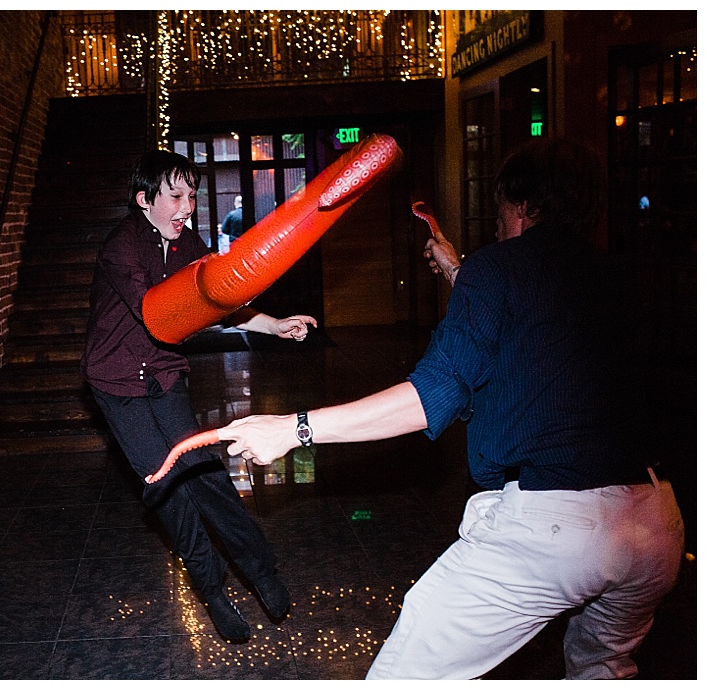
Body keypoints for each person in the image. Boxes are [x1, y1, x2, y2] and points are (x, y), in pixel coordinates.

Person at [216, 138, 685, 678]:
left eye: (502, 207)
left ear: (523, 205)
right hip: (655, 526)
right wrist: (461, 273)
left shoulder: (497, 268)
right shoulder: (616, 276)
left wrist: (292, 428)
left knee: (402, 678)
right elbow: (543, 333)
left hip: (557, 529)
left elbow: (431, 395)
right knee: (602, 668)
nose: (496, 220)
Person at [81, 150, 318, 643]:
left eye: (192, 194)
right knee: (166, 484)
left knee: (206, 471)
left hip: (163, 374)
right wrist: (199, 297)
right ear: (145, 199)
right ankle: (212, 589)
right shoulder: (121, 246)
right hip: (117, 382)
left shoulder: (186, 241)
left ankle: (261, 570)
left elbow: (222, 298)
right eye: (176, 195)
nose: (188, 205)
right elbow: (157, 313)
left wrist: (274, 325)